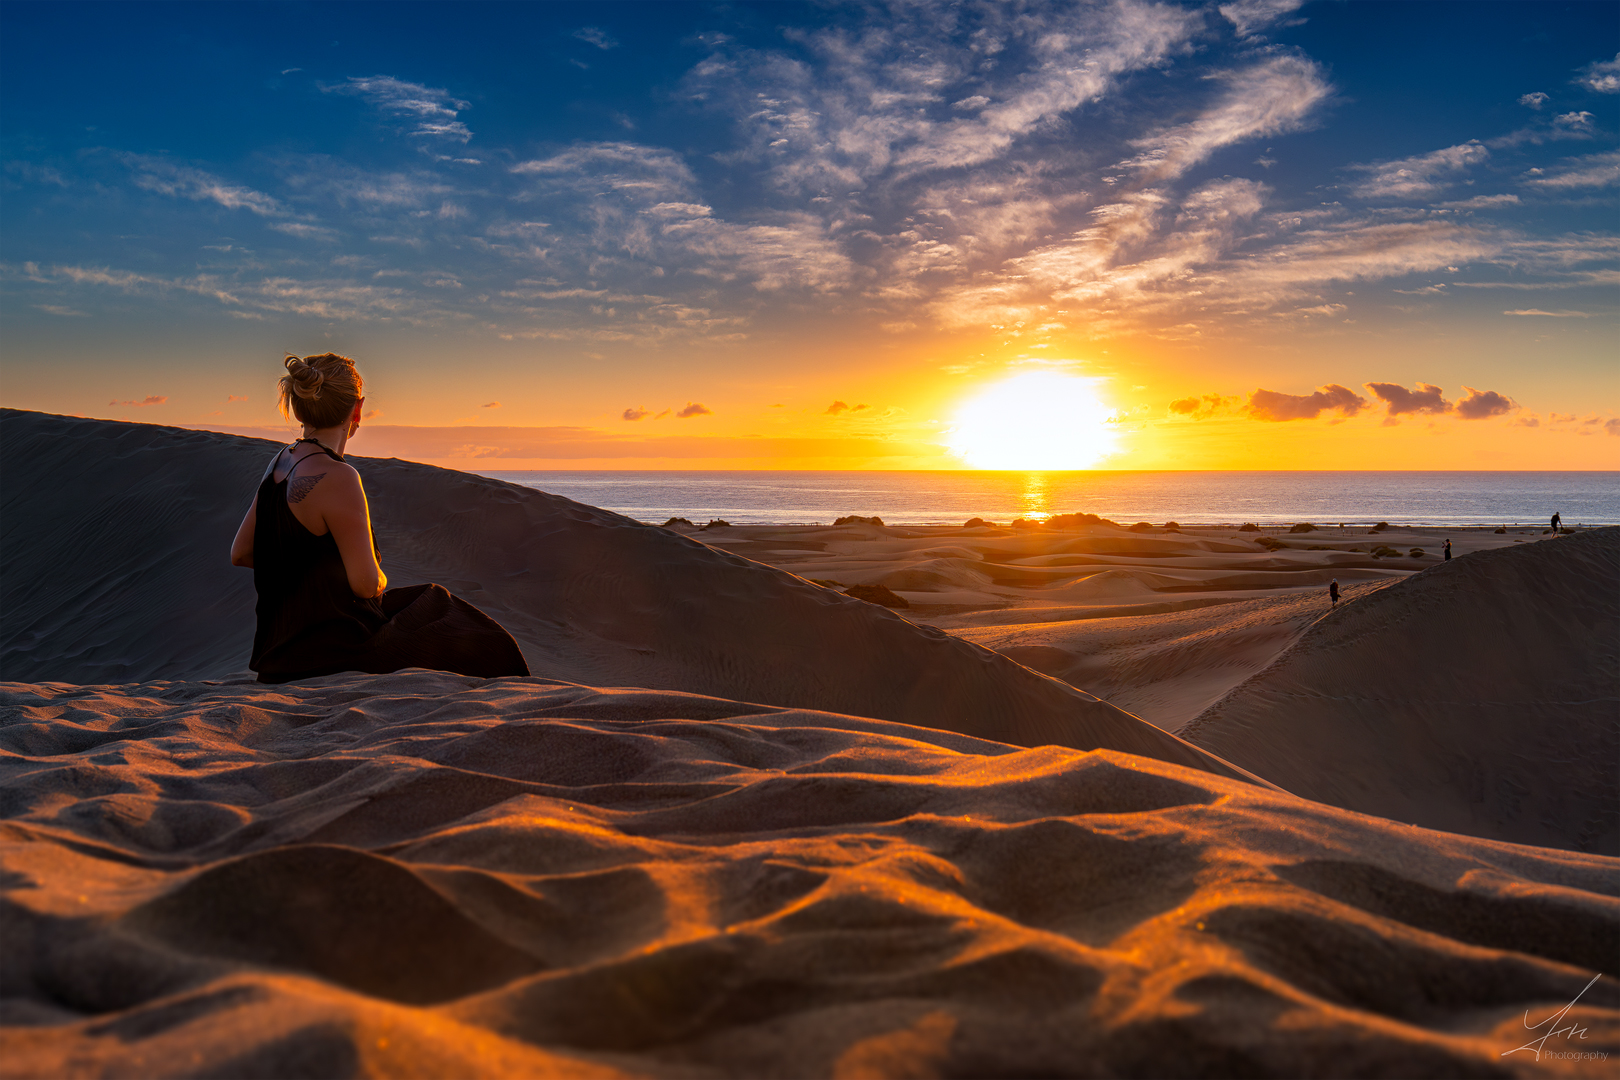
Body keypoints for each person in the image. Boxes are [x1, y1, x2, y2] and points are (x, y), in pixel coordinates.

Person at [231, 353, 529, 683]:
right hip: (332, 652)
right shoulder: (339, 476)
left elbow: (240, 553)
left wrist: (305, 572)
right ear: (356, 410)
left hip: (277, 654)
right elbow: (366, 584)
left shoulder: (279, 463)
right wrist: (376, 576)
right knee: (448, 613)